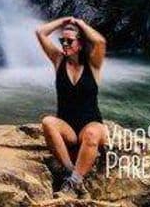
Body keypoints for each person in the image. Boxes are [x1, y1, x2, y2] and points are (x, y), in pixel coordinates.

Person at [36, 15, 108, 196]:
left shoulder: (93, 65)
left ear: (81, 44)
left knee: (92, 133)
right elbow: (41, 32)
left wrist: (81, 24)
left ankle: (74, 183)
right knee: (47, 122)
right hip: (67, 127)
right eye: (62, 40)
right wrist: (63, 23)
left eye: (70, 41)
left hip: (90, 124)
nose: (65, 44)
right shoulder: (59, 60)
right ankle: (70, 172)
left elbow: (100, 41)